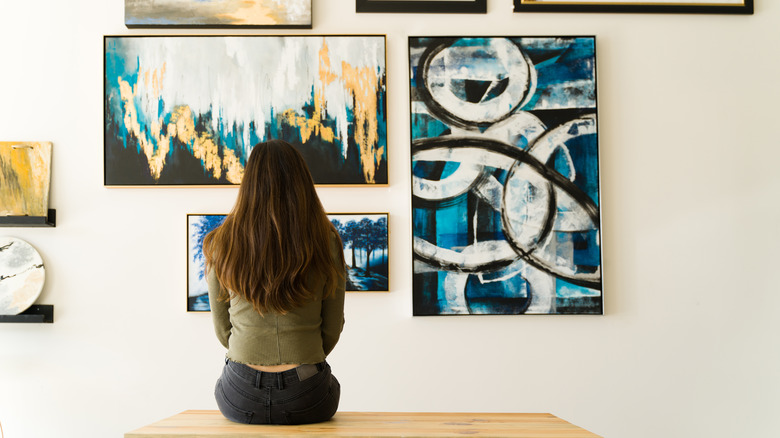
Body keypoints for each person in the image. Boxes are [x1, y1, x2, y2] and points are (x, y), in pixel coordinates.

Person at [203, 139, 346, 425]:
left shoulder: (221, 241)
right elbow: (332, 327)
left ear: (249, 183)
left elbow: (222, 330)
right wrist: (304, 356)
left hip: (240, 393)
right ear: (301, 182)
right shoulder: (326, 239)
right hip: (308, 392)